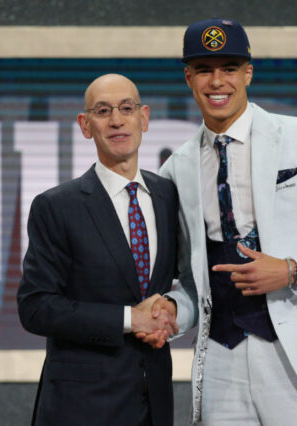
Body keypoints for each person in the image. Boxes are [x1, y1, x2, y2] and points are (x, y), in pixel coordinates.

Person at [141, 18, 297, 425]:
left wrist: (292, 270)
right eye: (204, 69)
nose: (217, 81)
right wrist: (172, 312)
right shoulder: (177, 168)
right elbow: (193, 279)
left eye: (229, 69)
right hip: (221, 358)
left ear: (248, 73)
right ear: (188, 77)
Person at [17, 74, 178, 426]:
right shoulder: (57, 206)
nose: (117, 120)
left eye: (126, 108)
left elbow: (183, 280)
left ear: (144, 117)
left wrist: (171, 307)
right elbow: (36, 307)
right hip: (81, 407)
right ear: (85, 125)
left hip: (155, 405)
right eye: (103, 111)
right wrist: (129, 319)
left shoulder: (168, 196)